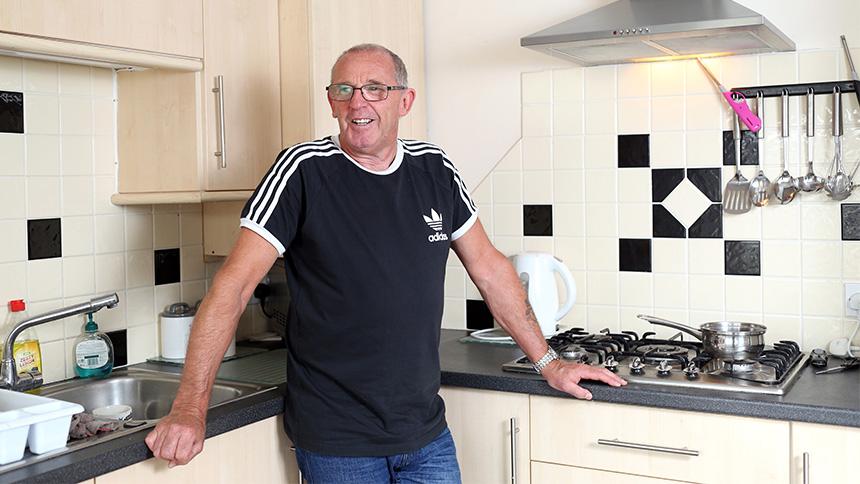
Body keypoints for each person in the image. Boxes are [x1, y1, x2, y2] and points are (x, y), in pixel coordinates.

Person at [145, 43, 626, 482]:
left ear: (405, 100)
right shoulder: (302, 171)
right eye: (345, 90)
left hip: (424, 431)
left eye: (375, 89)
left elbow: (491, 270)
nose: (359, 103)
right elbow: (232, 288)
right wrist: (190, 407)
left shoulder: (434, 169)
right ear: (331, 101)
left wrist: (548, 362)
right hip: (338, 440)